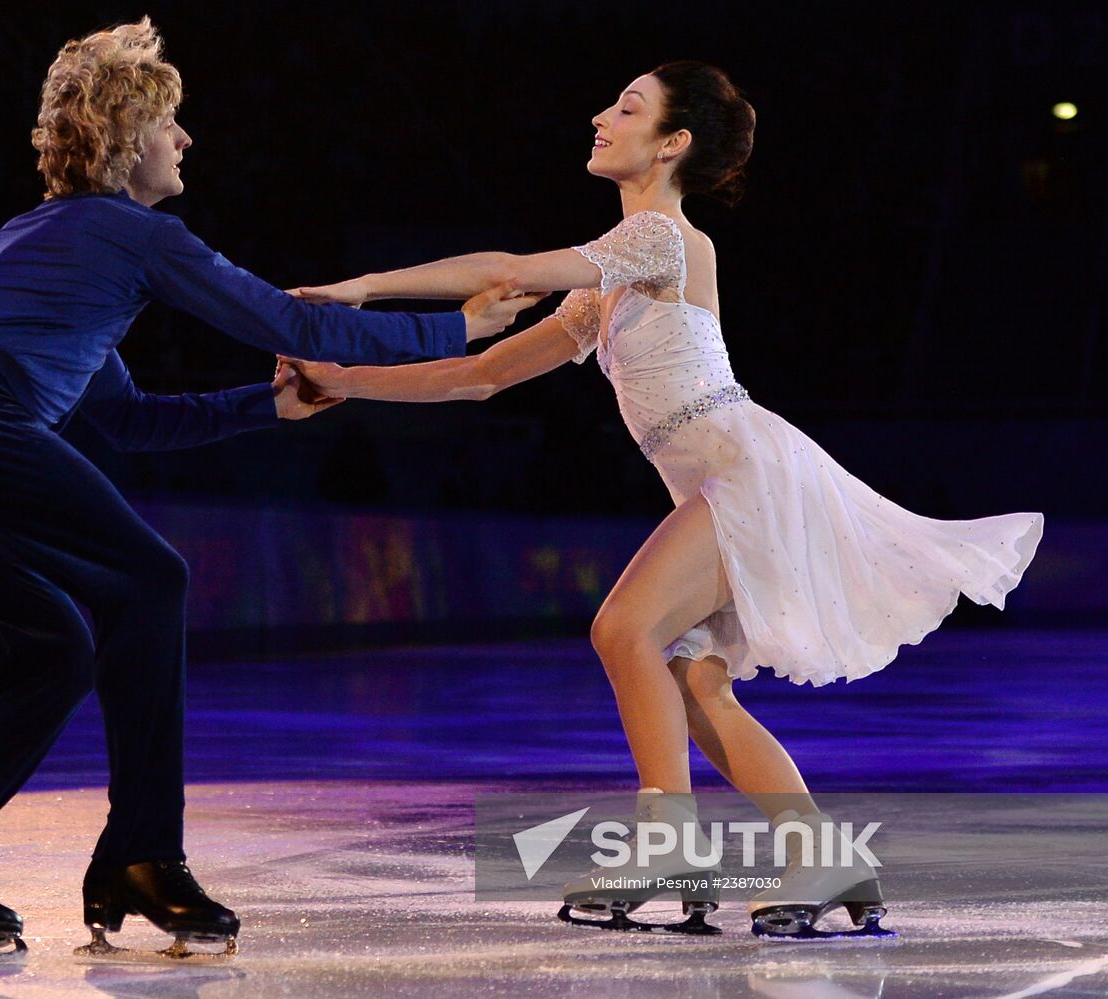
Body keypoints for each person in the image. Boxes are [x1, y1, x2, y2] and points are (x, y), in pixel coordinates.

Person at [285, 61, 1043, 940]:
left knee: (623, 629)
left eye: (627, 108)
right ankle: (823, 857)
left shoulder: (665, 241)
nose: (601, 116)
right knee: (694, 683)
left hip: (742, 476)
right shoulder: (611, 279)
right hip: (724, 481)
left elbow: (504, 266)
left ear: (672, 144)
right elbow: (483, 375)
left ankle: (670, 849)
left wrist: (360, 288)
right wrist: (343, 379)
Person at [0, 18, 537, 963]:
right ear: (131, 137)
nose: (187, 141)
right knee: (152, 578)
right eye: (173, 123)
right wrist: (453, 331)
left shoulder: (43, 238)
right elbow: (288, 318)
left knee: (53, 650)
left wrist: (269, 407)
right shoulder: (133, 232)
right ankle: (142, 855)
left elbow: (127, 419)